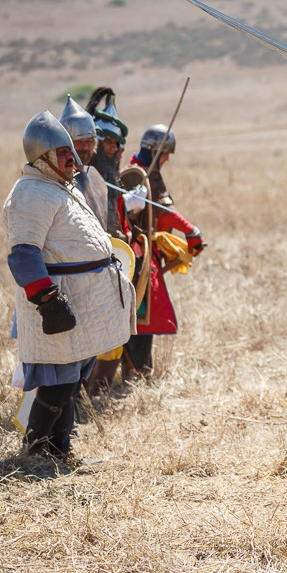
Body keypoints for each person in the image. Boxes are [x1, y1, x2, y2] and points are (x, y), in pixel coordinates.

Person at [2, 110, 135, 465]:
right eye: (65, 155)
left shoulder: (54, 186)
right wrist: (48, 301)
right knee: (59, 382)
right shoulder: (30, 194)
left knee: (71, 379)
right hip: (57, 301)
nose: (73, 161)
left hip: (79, 300)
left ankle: (61, 450)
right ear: (43, 157)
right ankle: (35, 451)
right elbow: (23, 256)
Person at [122, 124, 206, 378]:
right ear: (154, 151)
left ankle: (136, 372)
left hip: (145, 253)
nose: (167, 158)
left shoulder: (143, 171)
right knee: (142, 316)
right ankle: (136, 373)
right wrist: (191, 232)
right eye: (165, 153)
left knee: (143, 315)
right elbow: (163, 213)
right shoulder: (140, 174)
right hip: (138, 255)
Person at [59, 95, 110, 229]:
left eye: (89, 141)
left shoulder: (95, 175)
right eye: (79, 142)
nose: (85, 147)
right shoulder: (58, 180)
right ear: (66, 144)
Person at [85, 87, 130, 238]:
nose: (113, 147)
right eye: (109, 141)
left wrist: (126, 234)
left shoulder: (113, 177)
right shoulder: (82, 176)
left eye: (116, 143)